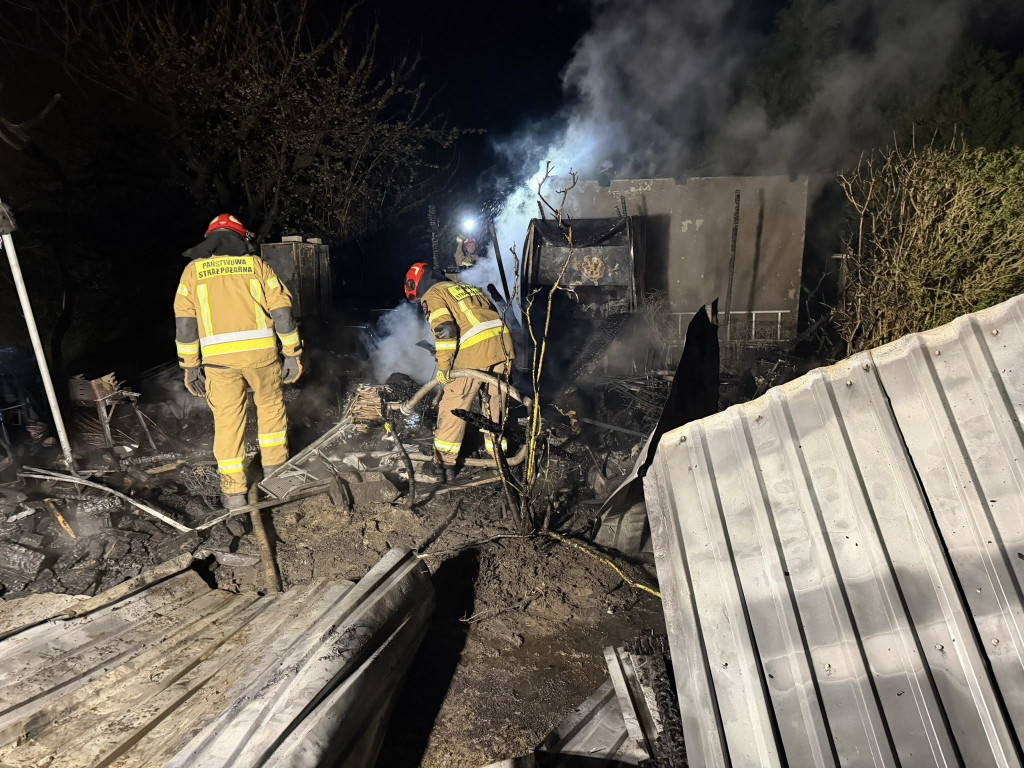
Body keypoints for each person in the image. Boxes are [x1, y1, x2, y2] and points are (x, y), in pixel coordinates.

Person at [174, 214, 304, 508]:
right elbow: (282, 314)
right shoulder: (257, 266)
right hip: (262, 359)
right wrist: (292, 354)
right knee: (271, 413)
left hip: (219, 365)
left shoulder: (192, 272)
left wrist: (190, 366)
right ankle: (277, 479)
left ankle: (234, 496)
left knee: (227, 424)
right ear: (240, 238)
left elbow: (184, 326)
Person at [404, 262, 515, 482]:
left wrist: (444, 368)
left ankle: (443, 464)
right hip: (504, 345)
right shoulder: (465, 287)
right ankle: (497, 458)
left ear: (415, 285)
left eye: (417, 299)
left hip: (477, 351)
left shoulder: (433, 294)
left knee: (454, 404)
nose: (420, 303)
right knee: (496, 402)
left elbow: (446, 330)